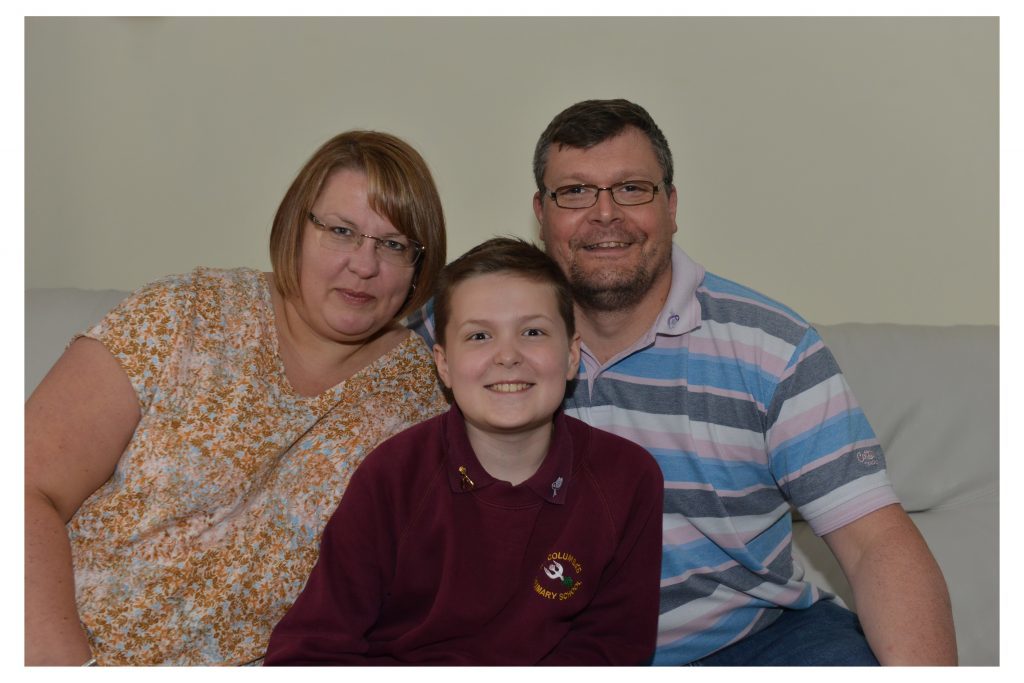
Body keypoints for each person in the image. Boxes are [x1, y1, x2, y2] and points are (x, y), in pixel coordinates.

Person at [411, 99, 957, 666]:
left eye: (632, 188)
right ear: (540, 213)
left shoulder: (771, 346)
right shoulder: (471, 336)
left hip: (754, 639)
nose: (604, 214)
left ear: (671, 206)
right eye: (574, 191)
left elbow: (875, 545)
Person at [25, 130, 449, 666]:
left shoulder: (425, 400)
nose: (364, 265)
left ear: (418, 264)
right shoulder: (185, 314)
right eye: (341, 231)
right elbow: (24, 485)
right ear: (296, 226)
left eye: (393, 245)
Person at [264, 237, 664, 665]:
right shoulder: (393, 476)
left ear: (570, 356)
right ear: (444, 365)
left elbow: (612, 650)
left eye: (533, 332)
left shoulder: (627, 478)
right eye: (479, 335)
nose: (507, 356)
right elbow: (310, 651)